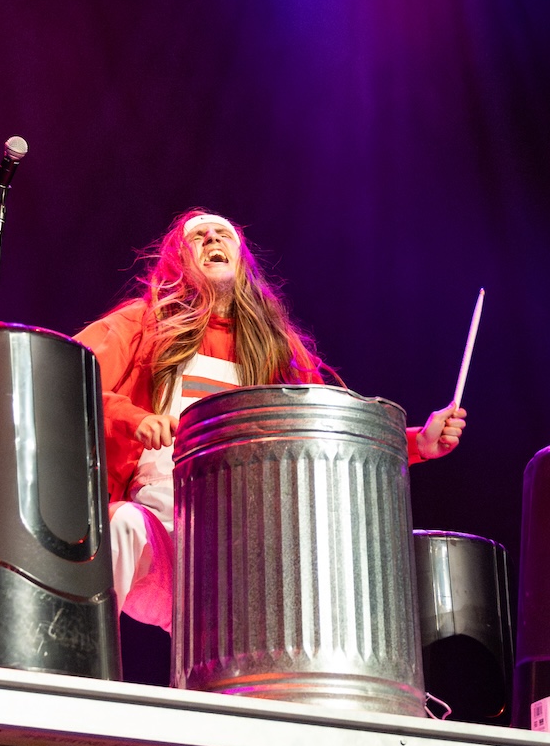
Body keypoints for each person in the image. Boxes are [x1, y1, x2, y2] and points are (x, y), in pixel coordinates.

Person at [75, 210, 468, 628]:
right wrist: (133, 418)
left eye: (222, 234)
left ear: (241, 257)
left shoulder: (276, 347)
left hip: (248, 546)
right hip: (162, 537)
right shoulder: (143, 323)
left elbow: (327, 433)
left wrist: (415, 444)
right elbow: (69, 374)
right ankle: (76, 667)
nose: (212, 240)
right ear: (178, 261)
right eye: (199, 237)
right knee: (119, 526)